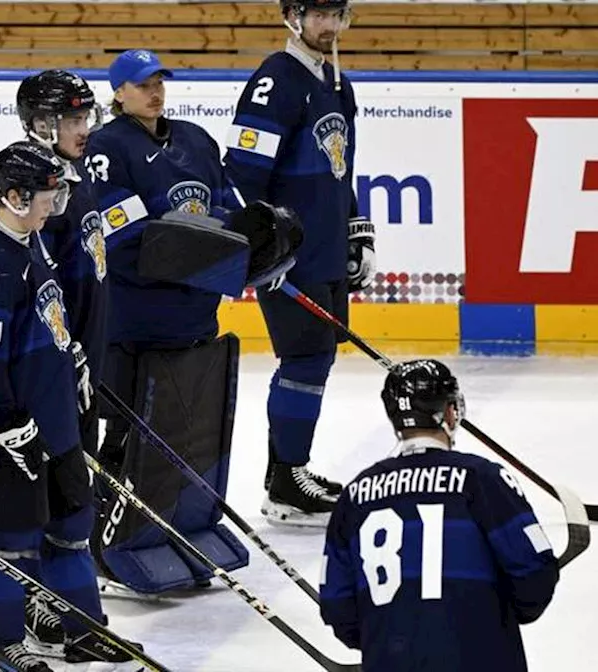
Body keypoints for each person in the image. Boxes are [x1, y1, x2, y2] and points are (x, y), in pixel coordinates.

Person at [0, 140, 141, 671]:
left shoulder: (29, 242)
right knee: (12, 542)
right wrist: (10, 425)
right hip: (8, 434)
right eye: (45, 199)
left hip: (54, 422)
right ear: (12, 197)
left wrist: (71, 355)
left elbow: (45, 321)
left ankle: (80, 631)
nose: (52, 209)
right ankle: (7, 643)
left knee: (71, 528)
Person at [84, 48, 249, 594]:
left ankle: (174, 525)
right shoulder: (108, 147)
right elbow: (129, 240)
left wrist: (235, 252)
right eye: (141, 84)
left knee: (189, 432)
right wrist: (208, 259)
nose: (154, 92)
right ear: (118, 93)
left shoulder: (196, 139)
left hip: (195, 319)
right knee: (128, 435)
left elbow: (228, 208)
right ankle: (102, 545)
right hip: (137, 326)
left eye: (159, 81)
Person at [223, 0, 370, 526]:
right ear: (293, 16)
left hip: (325, 249)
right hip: (293, 253)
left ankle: (286, 473)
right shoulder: (276, 79)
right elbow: (241, 173)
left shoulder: (337, 81)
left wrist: (357, 230)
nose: (329, 27)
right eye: (319, 16)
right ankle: (287, 479)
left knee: (318, 358)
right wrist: (265, 248)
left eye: (337, 15)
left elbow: (341, 170)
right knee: (304, 359)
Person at [319, 359, 559, 671]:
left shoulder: (356, 495)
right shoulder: (482, 479)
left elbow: (337, 604)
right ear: (449, 412)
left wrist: (386, 639)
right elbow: (534, 577)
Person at [12, 69, 106, 656]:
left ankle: (64, 602)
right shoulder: (30, 193)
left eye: (84, 118)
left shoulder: (80, 180)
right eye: (71, 120)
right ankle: (41, 609)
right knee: (51, 494)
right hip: (56, 375)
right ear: (41, 125)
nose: (83, 129)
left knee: (77, 490)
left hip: (86, 365)